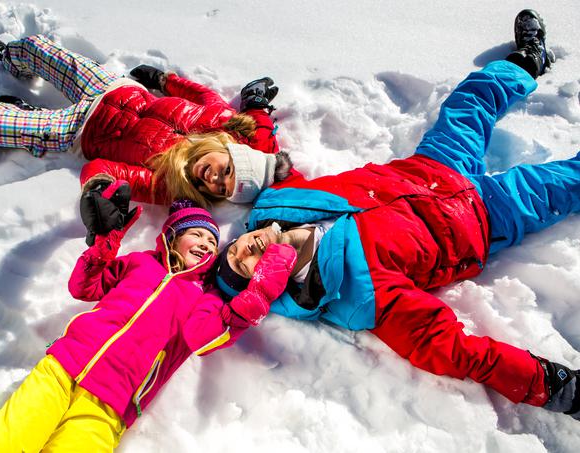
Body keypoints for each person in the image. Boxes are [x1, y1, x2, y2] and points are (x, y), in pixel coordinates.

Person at [214, 10, 579, 419]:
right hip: (483, 218)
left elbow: (268, 158)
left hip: (435, 166)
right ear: (267, 284)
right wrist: (558, 389)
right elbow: (451, 350)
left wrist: (256, 108)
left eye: (236, 248)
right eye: (246, 266)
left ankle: (530, 59)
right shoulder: (353, 294)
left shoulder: (277, 205)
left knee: (470, 100)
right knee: (568, 181)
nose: (247, 248)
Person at [0, 194, 297, 452]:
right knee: (3, 444)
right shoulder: (141, 263)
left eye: (212, 240)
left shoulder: (205, 298)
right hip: (63, 369)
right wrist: (104, 245)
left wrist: (254, 298)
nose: (205, 243)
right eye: (197, 234)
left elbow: (202, 337)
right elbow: (85, 286)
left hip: (112, 403)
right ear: (173, 236)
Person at [0, 34, 291, 206]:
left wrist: (99, 188)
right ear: (232, 152)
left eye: (221, 189)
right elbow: (202, 94)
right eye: (227, 172)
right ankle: (10, 61)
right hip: (113, 87)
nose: (215, 179)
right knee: (32, 47)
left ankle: (28, 118)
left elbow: (104, 170)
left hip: (78, 131)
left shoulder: (169, 185)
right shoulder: (221, 118)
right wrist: (163, 80)